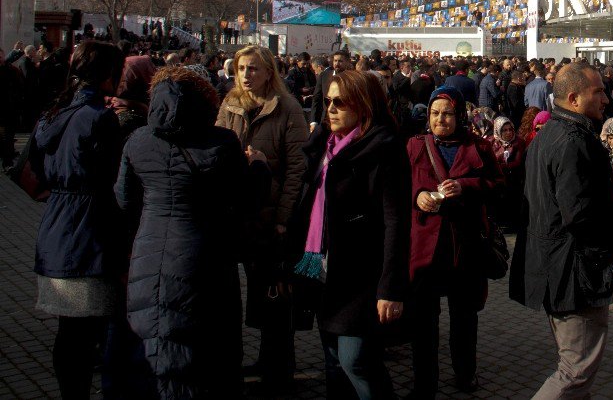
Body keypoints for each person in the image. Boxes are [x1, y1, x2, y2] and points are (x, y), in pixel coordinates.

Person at [116, 66, 270, 398]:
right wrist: (259, 165)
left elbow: (124, 199)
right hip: (206, 256)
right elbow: (247, 200)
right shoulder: (222, 142)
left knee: (155, 340)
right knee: (207, 347)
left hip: (149, 254)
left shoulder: (138, 141)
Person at [292, 69, 410, 399]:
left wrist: (391, 288)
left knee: (355, 360)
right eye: (327, 101)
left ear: (362, 106)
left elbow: (396, 224)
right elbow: (306, 206)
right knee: (332, 361)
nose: (330, 108)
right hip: (321, 269)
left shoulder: (383, 150)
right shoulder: (322, 148)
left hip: (361, 274)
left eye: (340, 102)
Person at [510, 62, 613, 399]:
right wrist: (606, 252)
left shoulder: (552, 134)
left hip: (561, 267)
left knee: (575, 370)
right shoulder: (573, 141)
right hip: (574, 272)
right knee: (575, 372)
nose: (606, 98)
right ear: (573, 98)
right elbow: (580, 214)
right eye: (598, 92)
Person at [32, 41, 127, 399]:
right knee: (85, 336)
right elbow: (112, 181)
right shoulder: (98, 118)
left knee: (69, 332)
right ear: (108, 76)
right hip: (89, 228)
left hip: (56, 225)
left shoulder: (55, 113)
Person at [215, 46, 308, 392]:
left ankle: (279, 368)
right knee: (229, 297)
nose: (246, 75)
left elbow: (297, 168)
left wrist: (284, 215)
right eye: (241, 68)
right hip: (234, 214)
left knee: (273, 296)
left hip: (270, 216)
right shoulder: (229, 104)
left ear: (269, 72)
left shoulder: (287, 109)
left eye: (253, 68)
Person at [407, 85, 501, 397]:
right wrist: (418, 196)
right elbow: (398, 185)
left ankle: (465, 373)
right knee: (423, 323)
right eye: (435, 113)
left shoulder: (478, 146)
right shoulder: (414, 146)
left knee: (464, 319)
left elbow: (498, 185)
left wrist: (466, 187)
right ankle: (424, 383)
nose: (440, 119)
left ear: (459, 115)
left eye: (447, 114)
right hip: (426, 247)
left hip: (466, 246)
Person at [492, 115, 526, 230]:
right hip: (499, 183)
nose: (508, 133)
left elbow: (519, 163)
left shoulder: (519, 143)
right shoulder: (493, 143)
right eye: (504, 130)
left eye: (510, 129)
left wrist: (503, 166)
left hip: (515, 182)